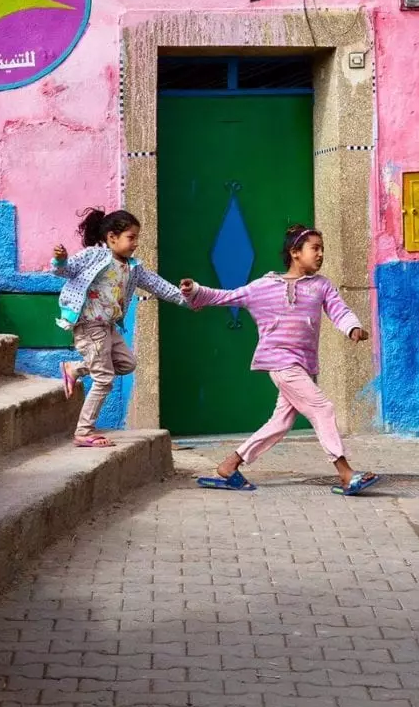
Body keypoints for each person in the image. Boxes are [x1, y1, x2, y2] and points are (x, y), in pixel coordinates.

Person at [180, 224, 378, 495]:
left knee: (281, 422)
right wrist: (194, 291)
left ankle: (230, 465)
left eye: (323, 249)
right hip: (281, 363)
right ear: (295, 253)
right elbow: (227, 297)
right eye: (315, 249)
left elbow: (338, 309)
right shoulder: (264, 287)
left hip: (301, 365)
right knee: (323, 408)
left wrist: (352, 327)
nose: (320, 254)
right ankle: (345, 473)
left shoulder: (321, 286)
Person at [52, 207, 187, 448]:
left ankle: (75, 368)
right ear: (112, 237)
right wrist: (61, 259)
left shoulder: (133, 267)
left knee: (127, 364)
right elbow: (64, 270)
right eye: (131, 237)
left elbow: (157, 284)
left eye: (137, 237)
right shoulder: (93, 255)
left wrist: (187, 299)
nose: (135, 243)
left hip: (108, 327)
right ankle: (84, 431)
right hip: (89, 326)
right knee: (104, 379)